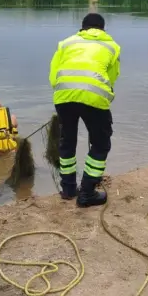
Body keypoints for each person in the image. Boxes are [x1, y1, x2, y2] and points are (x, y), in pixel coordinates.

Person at [49, 13, 121, 207]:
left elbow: (53, 75)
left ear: (82, 28)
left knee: (67, 141)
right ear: (103, 29)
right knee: (100, 144)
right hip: (95, 97)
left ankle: (68, 189)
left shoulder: (65, 43)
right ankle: (87, 192)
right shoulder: (112, 46)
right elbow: (112, 78)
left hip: (64, 95)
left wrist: (66, 93)